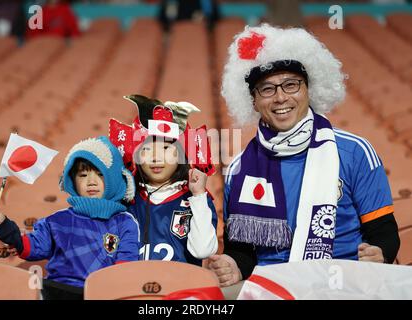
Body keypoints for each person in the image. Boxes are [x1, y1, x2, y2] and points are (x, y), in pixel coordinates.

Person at [208, 24, 400, 287]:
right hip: (271, 287)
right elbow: (242, 252)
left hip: (345, 283)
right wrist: (234, 265)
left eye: (291, 85)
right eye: (267, 89)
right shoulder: (239, 168)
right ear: (253, 100)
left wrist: (380, 253)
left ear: (308, 89)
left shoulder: (355, 152)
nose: (280, 98)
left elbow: (384, 232)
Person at [0, 136, 139, 299]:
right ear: (72, 181)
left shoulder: (125, 222)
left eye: (100, 174)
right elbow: (30, 247)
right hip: (58, 291)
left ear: (114, 179)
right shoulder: (56, 221)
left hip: (102, 293)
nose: (91, 182)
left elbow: (125, 267)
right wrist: (4, 226)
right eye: (83, 175)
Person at [109, 94, 218, 266]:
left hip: (180, 289)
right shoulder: (126, 199)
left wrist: (198, 196)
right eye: (147, 148)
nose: (156, 157)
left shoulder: (197, 200)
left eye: (166, 148)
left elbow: (203, 250)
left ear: (182, 154)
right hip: (131, 287)